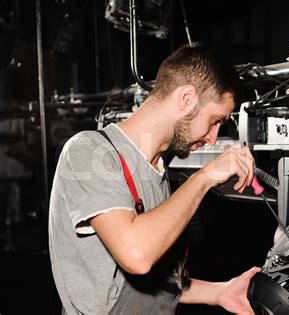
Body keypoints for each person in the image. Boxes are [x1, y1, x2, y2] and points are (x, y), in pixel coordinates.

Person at [49, 43, 259, 314]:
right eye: (215, 120)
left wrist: (221, 292)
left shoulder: (158, 169)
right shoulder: (89, 151)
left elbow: (153, 284)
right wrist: (204, 177)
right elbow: (136, 255)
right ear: (186, 98)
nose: (213, 138)